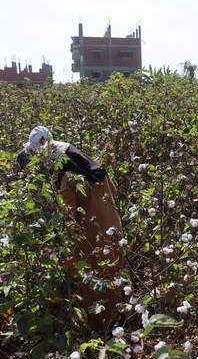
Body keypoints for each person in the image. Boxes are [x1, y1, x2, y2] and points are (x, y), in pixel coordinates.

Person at [17, 126, 124, 332]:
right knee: (113, 273)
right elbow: (114, 191)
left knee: (95, 280)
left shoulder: (68, 177)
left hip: (91, 236)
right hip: (113, 227)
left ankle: (101, 329)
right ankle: (117, 319)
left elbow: (66, 217)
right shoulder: (92, 166)